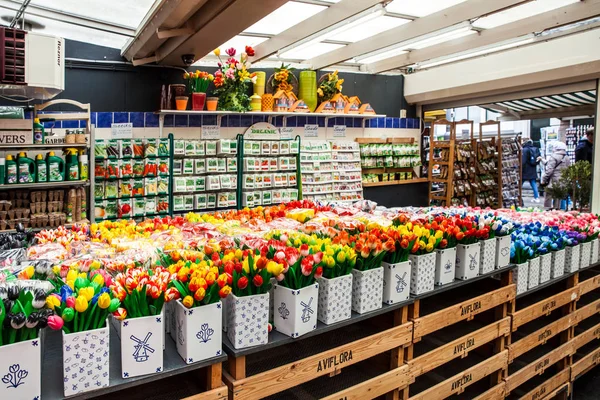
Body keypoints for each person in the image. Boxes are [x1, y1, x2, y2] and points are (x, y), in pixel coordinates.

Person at [541, 141, 570, 209]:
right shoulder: (566, 157)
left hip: (553, 180)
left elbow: (549, 170)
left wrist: (544, 179)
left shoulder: (554, 157)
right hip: (562, 180)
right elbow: (568, 169)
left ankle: (547, 211)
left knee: (548, 196)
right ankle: (557, 210)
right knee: (558, 198)